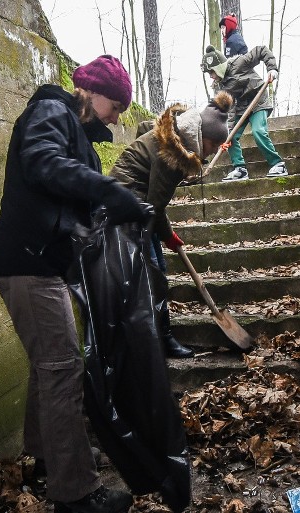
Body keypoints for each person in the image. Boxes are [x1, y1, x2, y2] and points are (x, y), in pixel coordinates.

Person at [0, 55, 146, 513]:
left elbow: (79, 206)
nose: (117, 117)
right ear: (92, 93)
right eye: (115, 106)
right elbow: (42, 163)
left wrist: (123, 210)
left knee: (48, 367)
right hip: (28, 264)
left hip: (39, 264)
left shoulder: (83, 142)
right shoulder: (50, 110)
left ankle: (44, 458)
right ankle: (76, 494)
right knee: (62, 369)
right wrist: (105, 188)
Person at [110, 92, 235, 358]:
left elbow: (155, 201)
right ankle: (160, 340)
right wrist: (161, 236)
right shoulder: (172, 155)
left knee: (159, 268)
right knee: (154, 274)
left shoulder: (176, 139)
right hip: (126, 205)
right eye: (213, 145)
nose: (212, 151)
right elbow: (154, 205)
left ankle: (158, 337)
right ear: (203, 136)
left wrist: (168, 236)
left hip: (139, 203)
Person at [200, 45, 287, 181]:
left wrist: (272, 69)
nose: (211, 76)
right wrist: (228, 132)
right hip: (241, 109)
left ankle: (278, 164)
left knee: (258, 131)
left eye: (211, 72)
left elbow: (261, 50)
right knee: (230, 137)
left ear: (219, 67)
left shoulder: (239, 62)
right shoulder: (220, 87)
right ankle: (240, 169)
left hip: (258, 102)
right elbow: (228, 111)